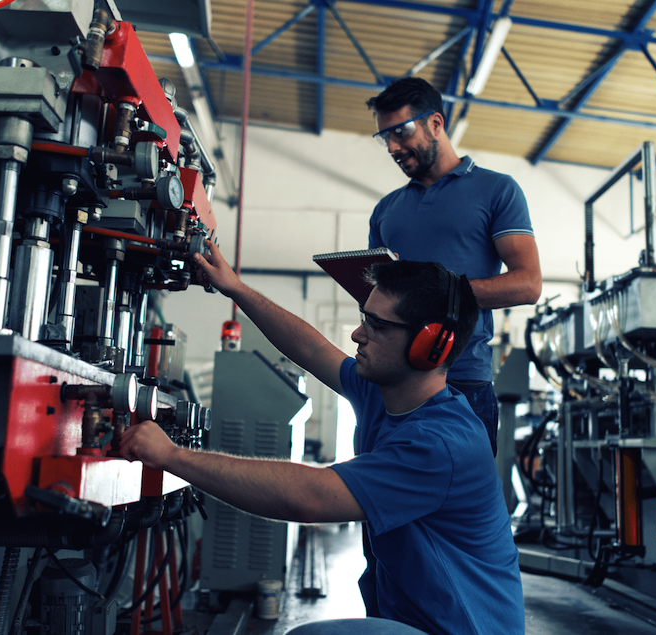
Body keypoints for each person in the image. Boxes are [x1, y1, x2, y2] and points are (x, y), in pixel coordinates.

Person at [120, 240, 525, 635]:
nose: (358, 335)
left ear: (430, 347)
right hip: (414, 619)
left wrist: (172, 456)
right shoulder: (385, 392)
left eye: (377, 325)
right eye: (365, 318)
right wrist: (235, 288)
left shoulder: (441, 443)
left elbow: (308, 497)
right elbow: (313, 350)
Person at [366, 77, 542, 456]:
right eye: (385, 138)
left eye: (401, 131)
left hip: (462, 382)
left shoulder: (497, 190)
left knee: (463, 494)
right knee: (384, 493)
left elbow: (528, 284)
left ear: (435, 123)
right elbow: (373, 294)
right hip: (392, 382)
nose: (393, 147)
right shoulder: (385, 210)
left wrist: (436, 296)